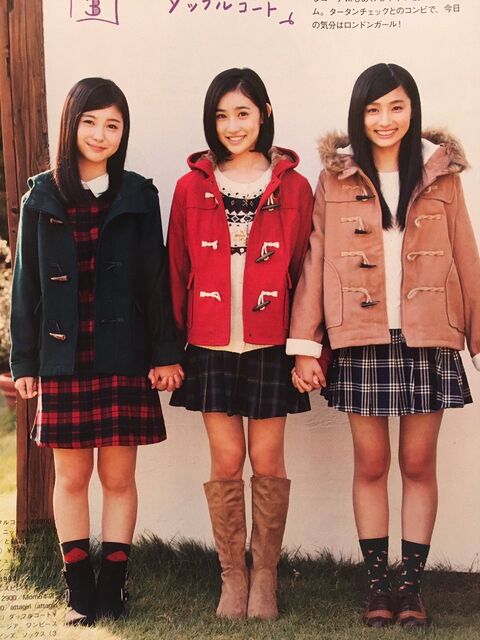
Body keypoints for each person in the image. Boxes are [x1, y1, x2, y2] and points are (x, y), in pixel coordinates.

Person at [287, 63, 480, 629]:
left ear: (412, 109)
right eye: (373, 109)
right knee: (371, 463)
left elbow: (466, 255)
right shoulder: (336, 176)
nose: (385, 120)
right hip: (361, 336)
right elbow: (316, 260)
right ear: (359, 115)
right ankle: (377, 586)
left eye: (397, 106)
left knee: (418, 463)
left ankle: (411, 587)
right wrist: (305, 344)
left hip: (429, 334)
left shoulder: (443, 174)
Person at [10, 77, 184, 626]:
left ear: (123, 132)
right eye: (90, 122)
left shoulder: (137, 195)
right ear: (71, 125)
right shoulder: (41, 197)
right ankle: (79, 590)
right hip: (63, 359)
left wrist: (164, 353)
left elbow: (155, 281)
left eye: (113, 124)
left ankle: (113, 586)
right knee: (70, 478)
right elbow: (26, 287)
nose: (101, 134)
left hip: (123, 353)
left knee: (118, 477)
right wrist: (25, 362)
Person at [168, 67, 324, 620]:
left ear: (265, 114)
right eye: (221, 116)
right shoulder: (191, 187)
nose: (233, 126)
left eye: (243, 113)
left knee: (267, 457)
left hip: (270, 343)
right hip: (210, 344)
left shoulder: (294, 187)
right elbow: (175, 269)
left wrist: (310, 347)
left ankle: (265, 576)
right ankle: (232, 575)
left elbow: (307, 273)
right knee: (227, 458)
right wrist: (170, 350)